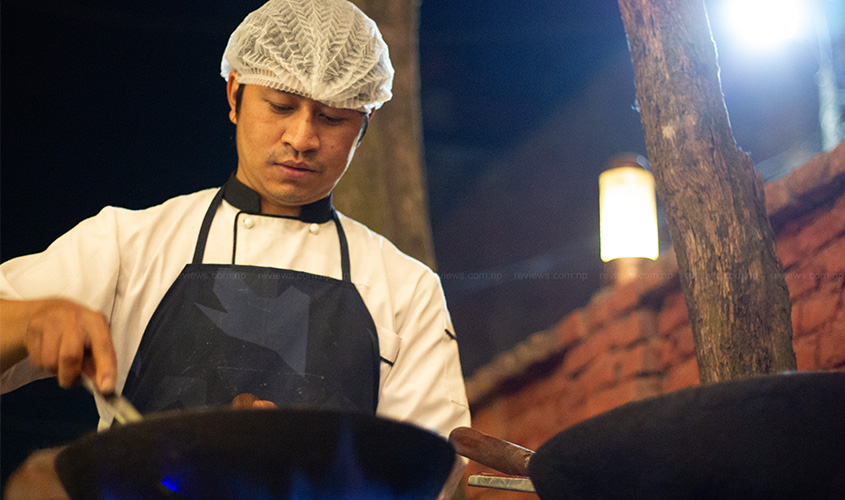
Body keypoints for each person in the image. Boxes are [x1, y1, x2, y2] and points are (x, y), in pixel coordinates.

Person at [1, 0, 470, 497]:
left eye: (332, 118)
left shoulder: (408, 289)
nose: (302, 138)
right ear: (235, 93)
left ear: (366, 123)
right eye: (281, 106)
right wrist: (35, 316)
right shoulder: (128, 243)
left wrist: (287, 461)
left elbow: (424, 472)